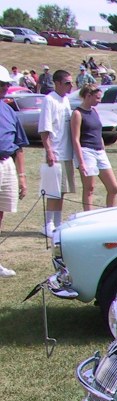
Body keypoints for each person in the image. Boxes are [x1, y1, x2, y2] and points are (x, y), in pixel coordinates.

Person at [38, 69, 75, 238]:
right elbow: (45, 128)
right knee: (53, 190)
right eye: (67, 82)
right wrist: (49, 150)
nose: (70, 85)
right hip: (55, 151)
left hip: (66, 152)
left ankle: (58, 223)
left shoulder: (66, 100)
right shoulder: (49, 100)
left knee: (63, 190)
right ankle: (47, 224)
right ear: (58, 83)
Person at [71, 85, 117, 211]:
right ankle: (88, 217)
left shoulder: (94, 111)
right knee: (89, 188)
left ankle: (111, 215)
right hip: (86, 151)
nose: (99, 100)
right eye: (97, 98)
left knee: (113, 188)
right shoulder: (77, 113)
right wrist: (81, 162)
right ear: (88, 96)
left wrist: (102, 148)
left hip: (99, 151)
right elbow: (75, 139)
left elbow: (98, 132)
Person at [0, 66, 28, 277]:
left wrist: (22, 176)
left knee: (1, 213)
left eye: (6, 85)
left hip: (6, 163)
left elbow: (18, 146)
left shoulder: (9, 110)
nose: (5, 88)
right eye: (1, 85)